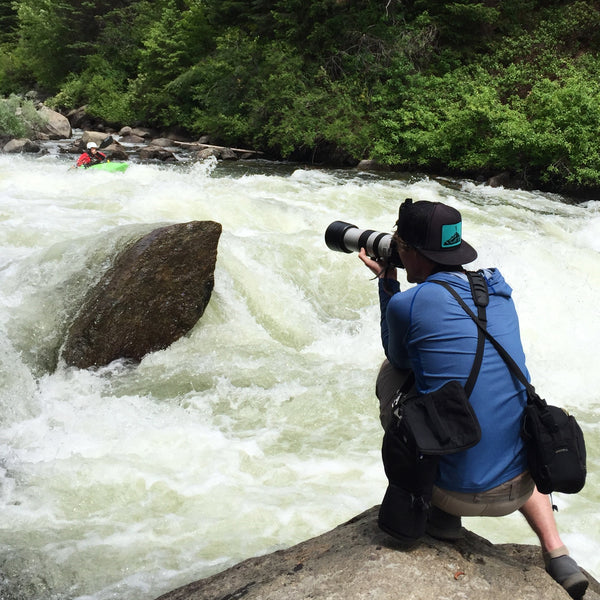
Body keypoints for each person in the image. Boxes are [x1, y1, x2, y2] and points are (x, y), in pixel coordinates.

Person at [358, 198, 588, 600]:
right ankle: (556, 550)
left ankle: (439, 510)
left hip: (454, 490)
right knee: (501, 402)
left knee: (393, 372)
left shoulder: (407, 303)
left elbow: (398, 356)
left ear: (410, 251)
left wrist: (387, 283)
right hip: (524, 481)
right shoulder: (499, 290)